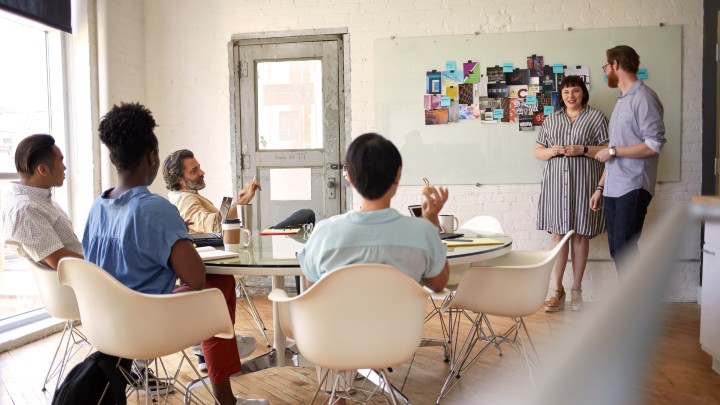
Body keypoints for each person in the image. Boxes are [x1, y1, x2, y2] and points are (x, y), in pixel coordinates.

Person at [82, 102, 267, 405]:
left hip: (104, 325)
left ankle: (217, 359)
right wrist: (177, 234)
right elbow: (194, 277)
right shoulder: (156, 208)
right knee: (218, 286)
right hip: (146, 326)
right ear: (151, 157)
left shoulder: (97, 207)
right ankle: (225, 393)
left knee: (215, 288)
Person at [297, 132, 450, 401]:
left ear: (350, 178)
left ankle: (339, 394)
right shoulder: (421, 232)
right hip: (397, 340)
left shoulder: (323, 233)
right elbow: (439, 283)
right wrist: (431, 223)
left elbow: (313, 290)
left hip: (333, 341)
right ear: (398, 175)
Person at [535, 76, 609, 311]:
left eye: (575, 91)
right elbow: (537, 151)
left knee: (580, 235)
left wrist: (582, 150)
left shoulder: (596, 117)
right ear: (561, 95)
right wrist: (552, 151)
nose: (570, 96)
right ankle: (557, 290)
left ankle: (576, 291)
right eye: (566, 92)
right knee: (558, 236)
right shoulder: (552, 119)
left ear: (583, 93)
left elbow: (609, 150)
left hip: (585, 184)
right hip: (556, 186)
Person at [591, 45, 666, 270]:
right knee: (618, 249)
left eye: (605, 66)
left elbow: (654, 144)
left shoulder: (644, 97)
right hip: (613, 187)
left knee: (625, 251)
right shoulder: (622, 100)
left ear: (615, 64)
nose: (605, 72)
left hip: (633, 186)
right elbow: (614, 150)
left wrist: (613, 151)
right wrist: (599, 188)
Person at [1, 134, 83, 269]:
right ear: (43, 169)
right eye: (60, 161)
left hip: (86, 274)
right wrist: (103, 264)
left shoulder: (35, 199)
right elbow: (59, 260)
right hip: (84, 280)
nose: (64, 167)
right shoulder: (26, 209)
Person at [163, 149, 260, 234]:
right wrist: (245, 199)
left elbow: (218, 220)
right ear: (179, 178)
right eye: (194, 170)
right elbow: (215, 226)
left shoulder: (187, 195)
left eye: (199, 168)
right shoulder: (185, 200)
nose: (202, 173)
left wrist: (241, 201)